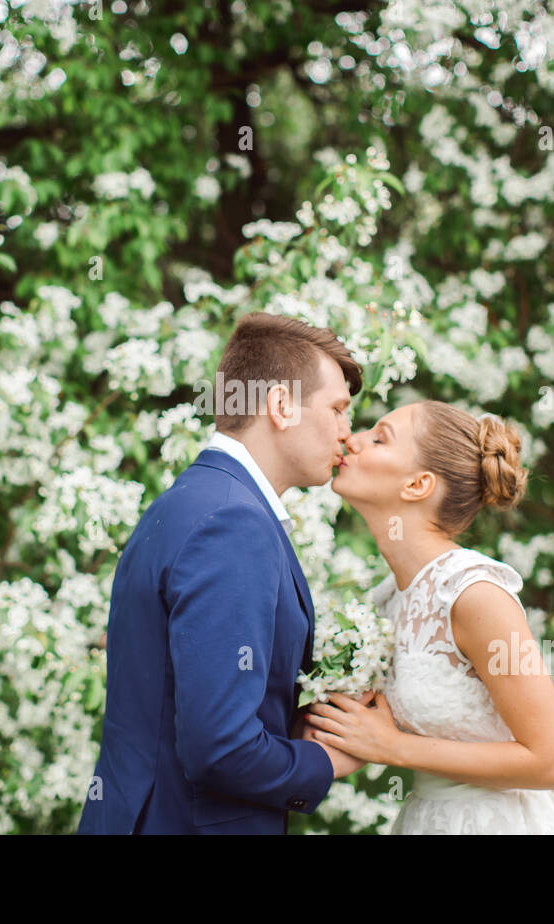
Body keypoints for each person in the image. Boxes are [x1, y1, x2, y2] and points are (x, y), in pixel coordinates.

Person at [77, 312, 367, 834]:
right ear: (280, 406)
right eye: (339, 409)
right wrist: (325, 762)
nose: (348, 432)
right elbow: (220, 747)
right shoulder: (234, 523)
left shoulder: (190, 500)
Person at [304, 400, 554, 833]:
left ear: (418, 484)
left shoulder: (475, 595)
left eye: (379, 438)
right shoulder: (386, 600)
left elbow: (549, 761)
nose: (352, 439)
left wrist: (393, 747)